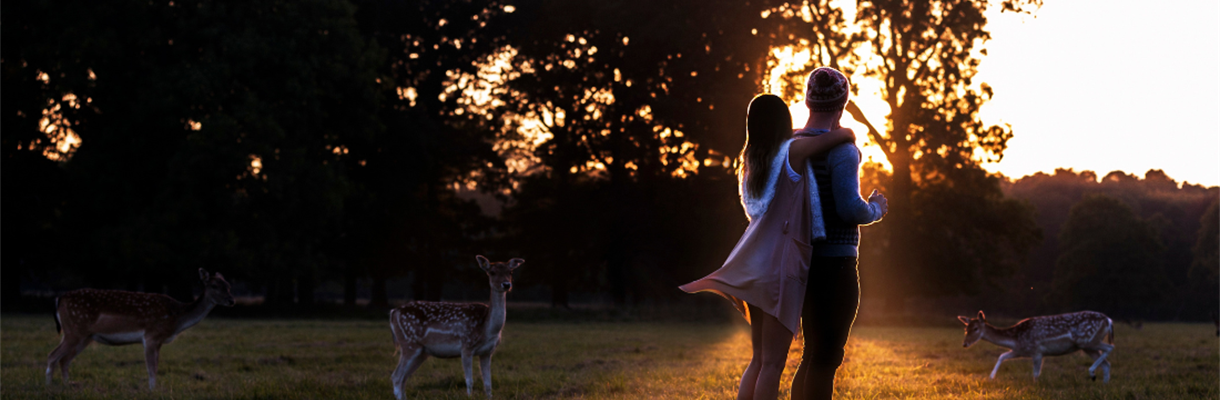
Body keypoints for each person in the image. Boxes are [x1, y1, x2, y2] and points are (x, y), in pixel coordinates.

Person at [680, 93, 855, 400]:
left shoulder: (749, 161)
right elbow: (836, 137)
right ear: (782, 122)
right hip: (778, 269)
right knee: (773, 364)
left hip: (755, 266)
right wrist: (847, 129)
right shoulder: (792, 152)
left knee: (759, 360)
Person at [790, 67, 887, 400]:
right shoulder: (842, 150)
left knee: (811, 353)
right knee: (826, 357)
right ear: (843, 103)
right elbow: (849, 209)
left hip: (801, 263)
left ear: (808, 101)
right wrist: (876, 209)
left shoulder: (791, 145)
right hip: (835, 264)